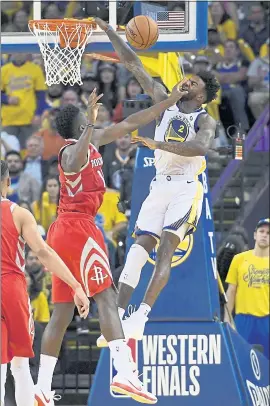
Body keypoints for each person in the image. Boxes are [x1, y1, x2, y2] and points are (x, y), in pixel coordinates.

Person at [35, 83, 187, 405]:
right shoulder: (68, 150)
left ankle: (42, 389)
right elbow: (74, 160)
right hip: (77, 228)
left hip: (69, 230)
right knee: (106, 296)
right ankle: (124, 373)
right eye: (87, 116)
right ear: (79, 124)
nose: (94, 116)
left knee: (62, 311)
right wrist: (90, 122)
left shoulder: (95, 139)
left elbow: (131, 123)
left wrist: (169, 102)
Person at [95, 17, 220, 347]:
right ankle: (120, 319)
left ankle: (141, 316)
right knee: (137, 251)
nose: (185, 83)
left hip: (185, 187)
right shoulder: (164, 102)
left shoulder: (204, 118)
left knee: (165, 252)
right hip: (160, 184)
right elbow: (133, 63)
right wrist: (111, 32)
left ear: (201, 95)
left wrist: (157, 145)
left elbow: (201, 147)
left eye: (192, 82)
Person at [0, 160, 89, 406]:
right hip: (11, 287)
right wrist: (76, 285)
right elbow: (43, 252)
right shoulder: (19, 213)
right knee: (20, 365)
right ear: (8, 182)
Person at [225, 219, 269, 359]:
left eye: (268, 233)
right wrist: (227, 318)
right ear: (255, 235)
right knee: (241, 360)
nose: (264, 235)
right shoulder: (239, 259)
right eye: (261, 231)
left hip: (267, 320)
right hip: (243, 320)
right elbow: (231, 291)